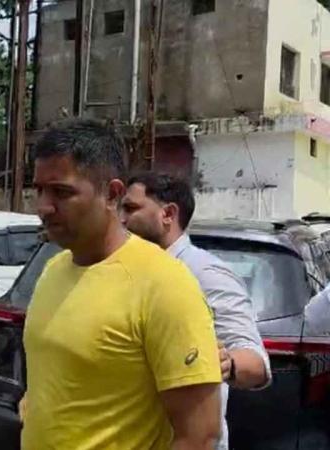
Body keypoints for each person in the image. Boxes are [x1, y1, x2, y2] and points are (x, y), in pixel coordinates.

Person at [23, 120, 222, 449]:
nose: (43, 206)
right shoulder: (53, 270)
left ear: (112, 194)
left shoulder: (164, 283)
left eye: (61, 192)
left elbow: (199, 435)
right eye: (39, 190)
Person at [121, 172, 271, 449]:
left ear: (168, 214)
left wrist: (227, 363)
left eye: (131, 208)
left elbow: (257, 363)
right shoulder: (124, 271)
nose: (121, 219)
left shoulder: (205, 273)